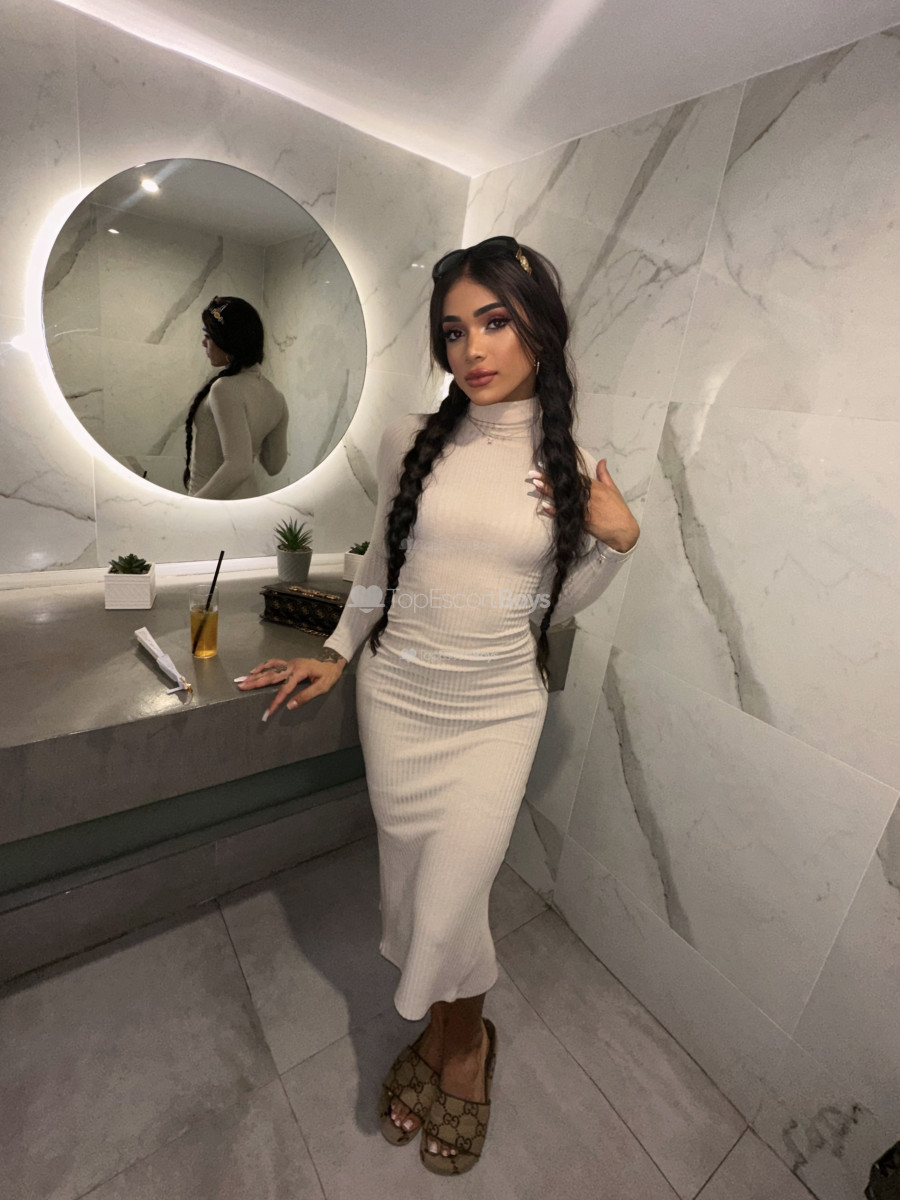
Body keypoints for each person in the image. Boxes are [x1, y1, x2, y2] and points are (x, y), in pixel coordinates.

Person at [238, 236, 640, 1175]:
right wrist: (338, 652)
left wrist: (614, 544)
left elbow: (545, 609)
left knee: (455, 891)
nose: (473, 349)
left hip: (496, 711)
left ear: (542, 328)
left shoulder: (575, 468)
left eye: (495, 322)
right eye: (455, 331)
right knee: (423, 896)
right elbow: (382, 567)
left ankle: (461, 1049)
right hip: (399, 699)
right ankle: (454, 1040)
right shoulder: (408, 439)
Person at [184, 296, 289, 499]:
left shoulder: (225, 388)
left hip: (215, 509)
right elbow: (274, 466)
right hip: (244, 504)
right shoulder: (276, 397)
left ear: (228, 341)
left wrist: (192, 509)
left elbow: (239, 466)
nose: (203, 342)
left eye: (208, 335)